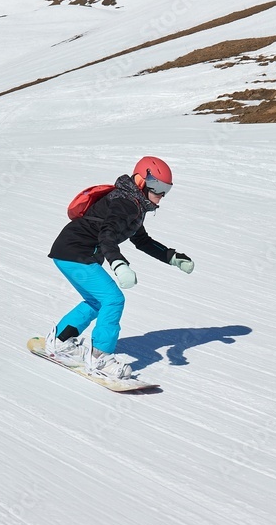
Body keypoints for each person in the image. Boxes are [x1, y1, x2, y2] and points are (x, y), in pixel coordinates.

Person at [45, 156, 195, 379]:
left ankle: (60, 341)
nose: (161, 195)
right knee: (113, 299)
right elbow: (107, 234)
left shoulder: (135, 204)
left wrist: (171, 257)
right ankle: (100, 359)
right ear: (141, 181)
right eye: (158, 187)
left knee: (98, 301)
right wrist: (118, 263)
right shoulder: (124, 203)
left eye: (167, 190)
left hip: (70, 252)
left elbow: (141, 240)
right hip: (75, 252)